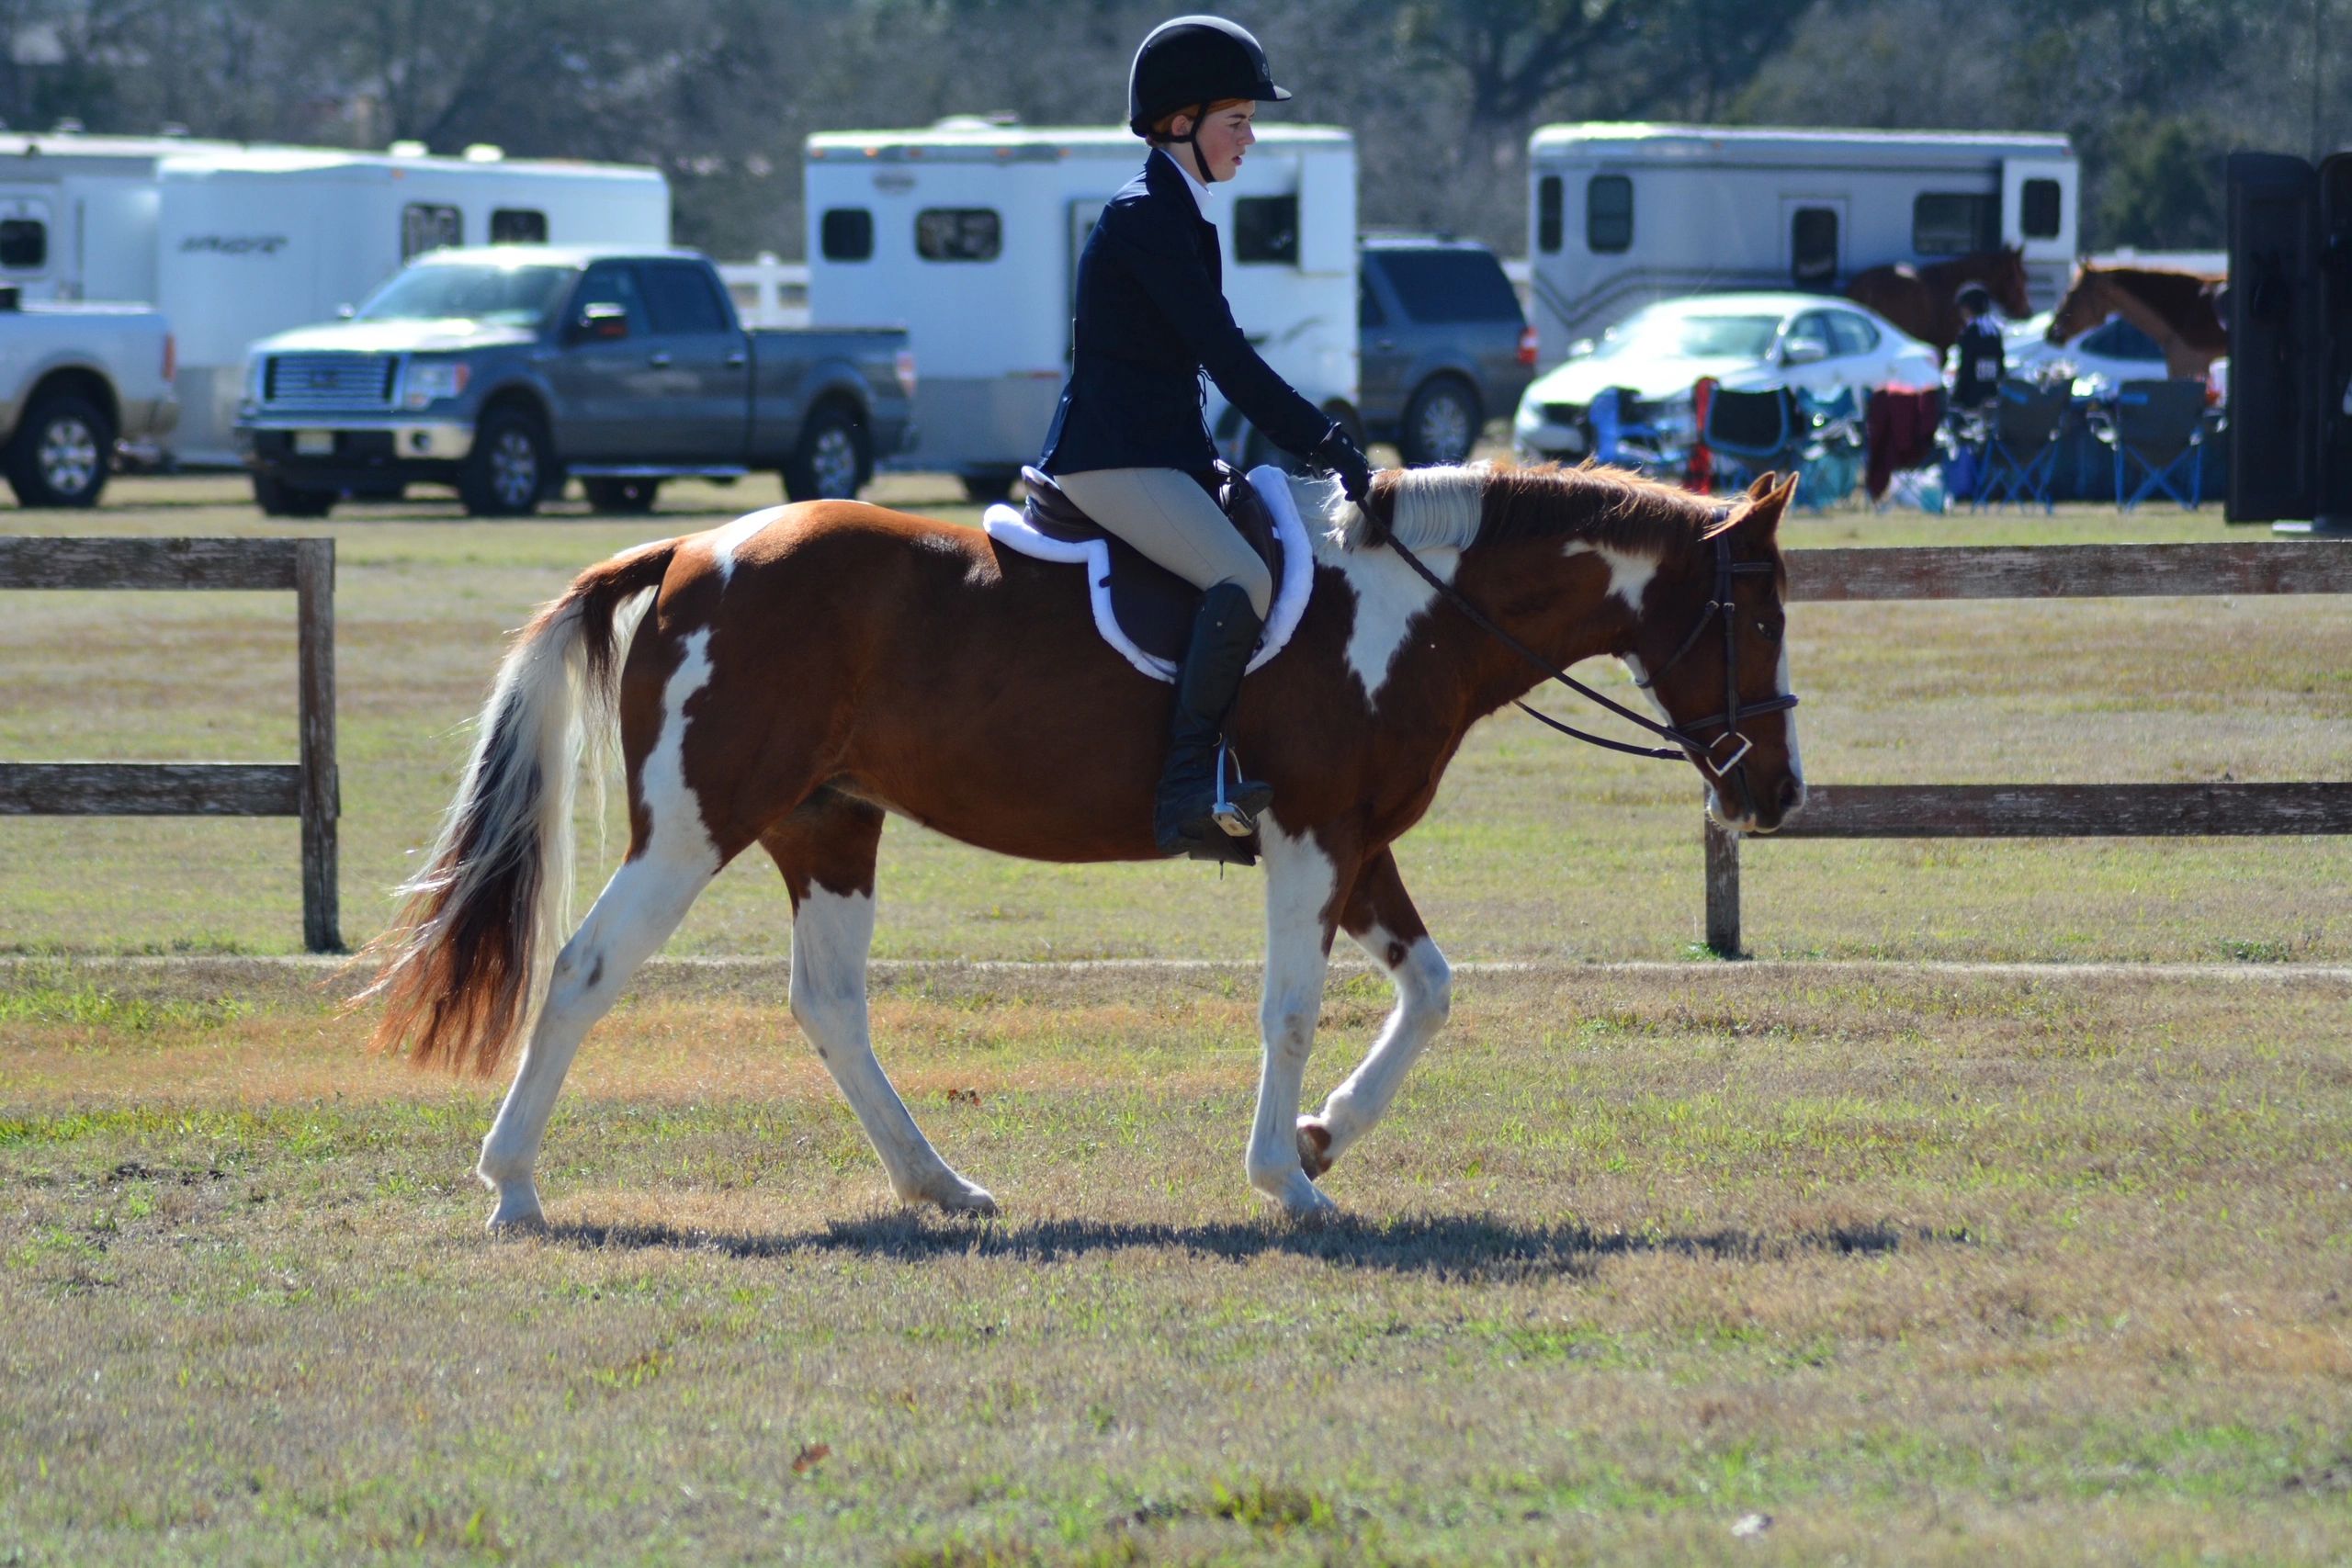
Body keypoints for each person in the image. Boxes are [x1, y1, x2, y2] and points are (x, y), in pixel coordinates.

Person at [1036, 14, 1374, 863]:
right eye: (1238, 122)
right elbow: (1226, 359)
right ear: (1179, 122)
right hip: (1113, 457)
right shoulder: (1147, 216)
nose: (1250, 140)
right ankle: (1191, 785)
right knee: (1241, 574)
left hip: (1160, 449)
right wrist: (1327, 440)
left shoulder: (1178, 212)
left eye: (1251, 124)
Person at [1950, 282, 2006, 410]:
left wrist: (1957, 397)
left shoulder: (1971, 331)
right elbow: (2000, 366)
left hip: (1971, 397)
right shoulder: (1995, 330)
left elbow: (1966, 366)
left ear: (1967, 308)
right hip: (1992, 394)